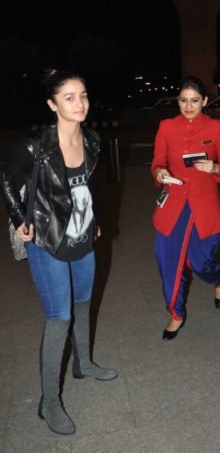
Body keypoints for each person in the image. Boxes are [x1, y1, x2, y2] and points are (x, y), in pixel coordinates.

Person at [0, 70, 117, 435]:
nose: (79, 103)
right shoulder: (36, 145)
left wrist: (94, 217)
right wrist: (20, 217)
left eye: (82, 95)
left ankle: (84, 364)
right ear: (52, 104)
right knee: (59, 317)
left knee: (83, 304)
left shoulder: (94, 140)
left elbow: (88, 184)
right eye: (69, 97)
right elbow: (5, 175)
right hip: (48, 240)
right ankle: (49, 400)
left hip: (83, 237)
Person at [151, 75, 220, 340]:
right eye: (184, 101)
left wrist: (215, 167)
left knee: (201, 262)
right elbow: (156, 162)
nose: (189, 106)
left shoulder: (217, 128)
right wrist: (160, 173)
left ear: (205, 101)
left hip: (204, 204)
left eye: (195, 101)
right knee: (166, 256)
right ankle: (176, 313)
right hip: (174, 204)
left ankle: (219, 279)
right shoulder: (166, 127)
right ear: (178, 101)